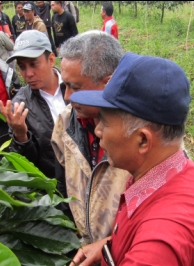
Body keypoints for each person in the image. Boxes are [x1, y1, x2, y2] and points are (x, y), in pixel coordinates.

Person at [68, 53, 194, 265]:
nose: (97, 130)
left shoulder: (157, 247)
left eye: (104, 122)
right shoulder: (186, 172)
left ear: (143, 140)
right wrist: (110, 246)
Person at [51, 30, 130, 244]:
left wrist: (108, 245)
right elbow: (61, 184)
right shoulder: (66, 123)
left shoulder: (136, 136)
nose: (67, 96)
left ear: (108, 83)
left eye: (75, 87)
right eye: (65, 85)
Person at [0, 30, 66, 180]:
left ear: (51, 60)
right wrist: (21, 135)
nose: (28, 74)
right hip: (57, 186)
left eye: (33, 64)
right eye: (22, 67)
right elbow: (28, 164)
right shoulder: (20, 107)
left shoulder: (74, 86)